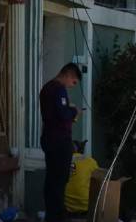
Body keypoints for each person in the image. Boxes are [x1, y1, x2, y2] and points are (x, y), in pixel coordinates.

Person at [39, 63, 82, 222]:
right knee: (59, 180)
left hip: (49, 139)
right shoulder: (58, 89)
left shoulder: (46, 88)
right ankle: (58, 216)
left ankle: (52, 215)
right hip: (59, 141)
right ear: (69, 75)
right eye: (74, 82)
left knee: (51, 179)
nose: (72, 86)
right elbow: (63, 114)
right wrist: (74, 111)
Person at [63, 140, 100, 215]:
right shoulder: (91, 161)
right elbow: (100, 178)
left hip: (66, 206)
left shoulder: (63, 160)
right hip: (86, 206)